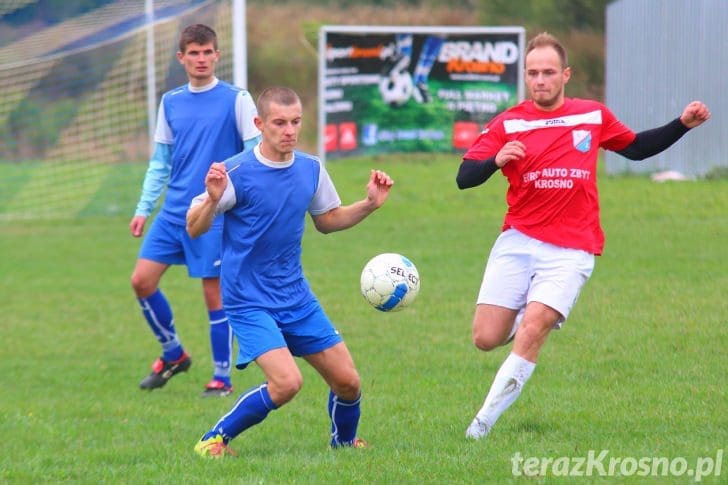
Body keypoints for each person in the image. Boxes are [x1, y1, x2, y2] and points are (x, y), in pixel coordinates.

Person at [455, 32, 710, 440]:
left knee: (534, 327)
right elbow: (464, 177)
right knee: (485, 338)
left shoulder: (591, 116)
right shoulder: (509, 122)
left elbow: (637, 149)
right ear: (525, 76)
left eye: (549, 72)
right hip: (518, 241)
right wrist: (495, 160)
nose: (541, 80)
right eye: (533, 73)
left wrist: (682, 124)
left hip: (571, 248)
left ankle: (481, 423)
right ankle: (531, 312)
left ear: (565, 75)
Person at [186, 86, 394, 457]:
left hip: (295, 297)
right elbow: (194, 227)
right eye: (279, 123)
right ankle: (212, 440)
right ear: (259, 124)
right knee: (286, 383)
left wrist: (369, 205)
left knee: (348, 383)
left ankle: (344, 444)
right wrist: (213, 200)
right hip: (248, 301)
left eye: (295, 122)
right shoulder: (235, 172)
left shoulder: (310, 169)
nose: (289, 130)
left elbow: (327, 220)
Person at [129, 24, 261, 397]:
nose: (201, 59)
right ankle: (174, 354)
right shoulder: (171, 101)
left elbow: (252, 155)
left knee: (213, 293)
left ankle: (222, 377)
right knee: (141, 281)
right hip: (173, 212)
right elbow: (161, 161)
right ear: (181, 58)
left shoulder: (237, 99)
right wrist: (143, 208)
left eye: (207, 52)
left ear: (217, 56)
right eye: (194, 53)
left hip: (214, 210)